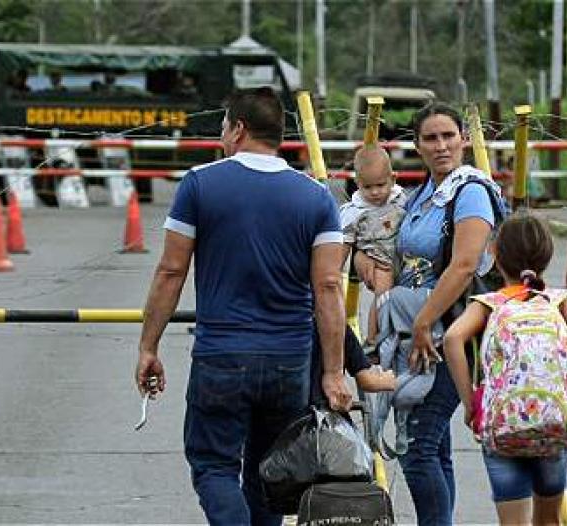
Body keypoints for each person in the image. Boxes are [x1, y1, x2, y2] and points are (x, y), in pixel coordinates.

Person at [134, 86, 352, 526]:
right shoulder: (317, 197)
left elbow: (170, 272)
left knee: (214, 466)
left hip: (221, 355)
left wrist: (148, 347)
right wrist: (332, 371)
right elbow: (329, 287)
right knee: (271, 472)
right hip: (290, 359)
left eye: (223, 125)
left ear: (238, 128)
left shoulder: (200, 183)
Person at [355, 102, 503, 525]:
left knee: (416, 448)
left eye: (448, 136)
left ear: (463, 139)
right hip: (416, 331)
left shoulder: (470, 190)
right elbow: (392, 253)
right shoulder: (421, 195)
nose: (441, 146)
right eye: (431, 138)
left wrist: (423, 323)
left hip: (450, 332)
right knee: (434, 447)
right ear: (417, 145)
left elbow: (464, 263)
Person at [445, 213, 567, 525]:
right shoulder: (557, 302)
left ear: (495, 254)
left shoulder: (490, 303)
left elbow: (452, 339)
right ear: (547, 256)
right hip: (553, 425)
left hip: (502, 428)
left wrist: (471, 403)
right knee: (550, 521)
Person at [339, 145, 406, 349]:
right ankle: (373, 337)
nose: (375, 192)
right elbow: (344, 245)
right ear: (358, 184)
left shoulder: (401, 199)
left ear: (393, 179)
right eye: (367, 187)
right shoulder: (353, 212)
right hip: (379, 262)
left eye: (381, 185)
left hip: (403, 257)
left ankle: (394, 332)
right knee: (383, 294)